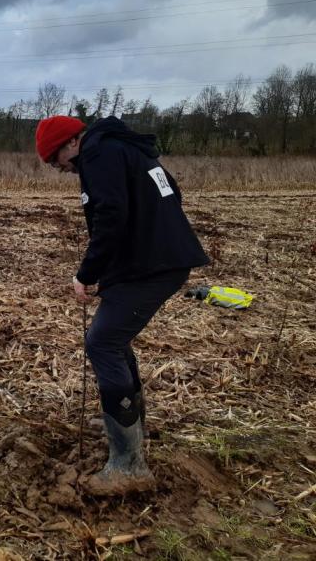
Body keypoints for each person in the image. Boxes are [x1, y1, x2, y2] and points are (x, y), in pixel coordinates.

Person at [35, 115, 209, 496]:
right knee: (113, 337)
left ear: (71, 143)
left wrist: (87, 273)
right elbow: (171, 195)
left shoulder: (98, 154)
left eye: (55, 159)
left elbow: (110, 215)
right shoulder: (124, 148)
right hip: (153, 261)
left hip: (154, 266)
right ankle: (129, 422)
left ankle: (129, 465)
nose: (60, 169)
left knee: (103, 342)